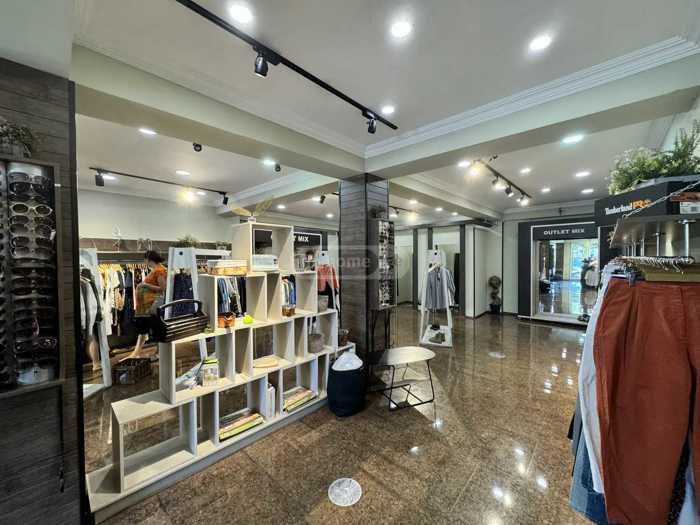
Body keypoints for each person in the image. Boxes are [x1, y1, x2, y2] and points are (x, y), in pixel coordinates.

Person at [126, 250, 167, 359]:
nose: (144, 262)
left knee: (154, 330)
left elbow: (162, 288)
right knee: (143, 330)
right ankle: (137, 353)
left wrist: (144, 285)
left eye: (145, 259)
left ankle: (157, 353)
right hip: (146, 307)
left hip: (151, 306)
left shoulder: (159, 270)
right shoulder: (156, 270)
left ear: (148, 259)